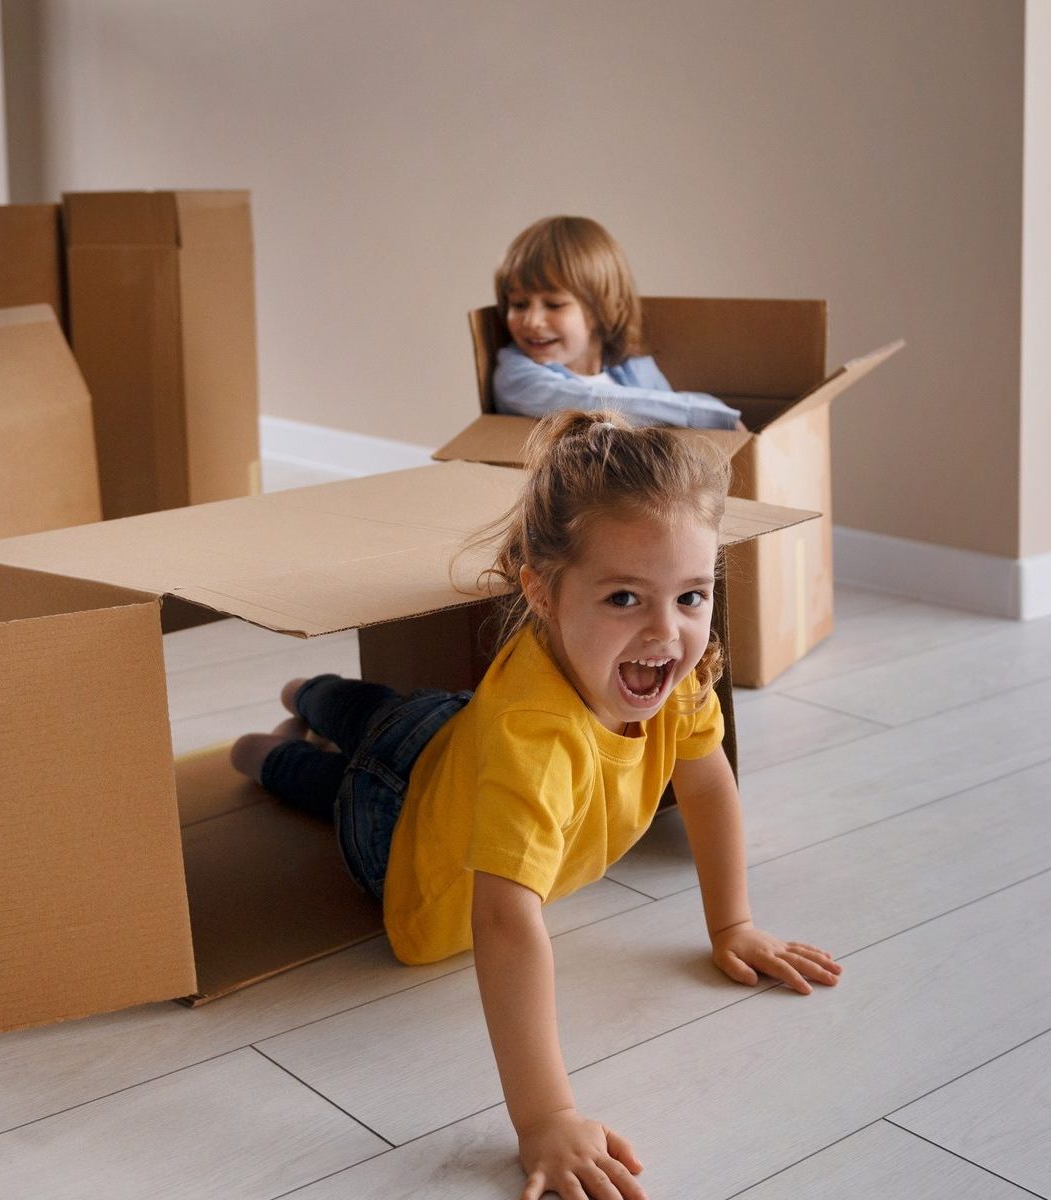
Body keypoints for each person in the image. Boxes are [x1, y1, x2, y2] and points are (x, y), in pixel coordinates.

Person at [231, 410, 840, 1200]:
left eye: (692, 596)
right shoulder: (536, 739)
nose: (667, 631)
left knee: (397, 715)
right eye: (625, 597)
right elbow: (503, 917)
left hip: (453, 731)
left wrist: (733, 922)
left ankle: (313, 700)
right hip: (396, 822)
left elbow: (707, 781)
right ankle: (271, 745)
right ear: (543, 594)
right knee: (346, 771)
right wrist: (546, 1115)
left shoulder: (677, 675)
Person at [491, 215, 744, 431]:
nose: (532, 321)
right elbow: (593, 404)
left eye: (554, 304)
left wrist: (712, 412)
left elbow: (665, 407)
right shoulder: (516, 376)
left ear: (599, 307)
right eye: (519, 304)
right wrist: (710, 416)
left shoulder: (630, 365)